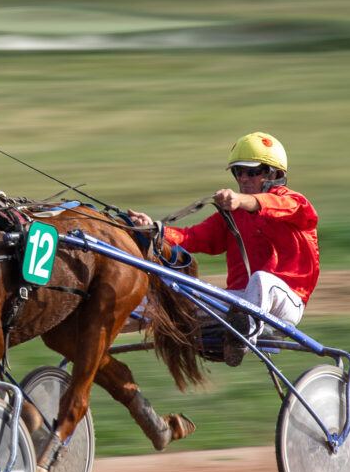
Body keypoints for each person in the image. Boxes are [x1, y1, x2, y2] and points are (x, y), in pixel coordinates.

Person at [128, 132, 319, 366]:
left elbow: (271, 204)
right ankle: (102, 330)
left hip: (285, 303)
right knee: (174, 297)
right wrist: (154, 230)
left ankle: (240, 340)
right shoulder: (232, 215)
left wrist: (240, 200)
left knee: (261, 280)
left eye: (252, 171)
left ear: (275, 174)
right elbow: (191, 237)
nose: (243, 178)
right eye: (238, 172)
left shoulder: (296, 203)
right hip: (238, 303)